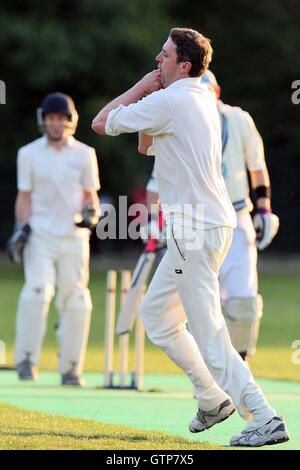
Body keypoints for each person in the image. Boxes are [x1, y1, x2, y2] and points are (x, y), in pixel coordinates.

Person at [91, 28, 289, 447]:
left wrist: (143, 86)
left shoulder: (170, 99)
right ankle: (213, 398)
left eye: (164, 56)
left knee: (209, 329)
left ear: (184, 65)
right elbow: (148, 147)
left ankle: (264, 416)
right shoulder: (201, 99)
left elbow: (100, 122)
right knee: (158, 316)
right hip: (211, 226)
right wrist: (152, 95)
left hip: (193, 231)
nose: (156, 61)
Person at [139, 70, 280, 362]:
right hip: (195, 223)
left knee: (242, 302)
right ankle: (213, 374)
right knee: (204, 303)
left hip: (236, 216)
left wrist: (264, 208)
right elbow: (157, 181)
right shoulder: (177, 121)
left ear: (215, 93)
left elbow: (257, 165)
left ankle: (240, 366)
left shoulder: (238, 119)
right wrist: (154, 219)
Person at [7, 92, 101, 386]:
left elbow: (90, 197)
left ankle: (71, 367)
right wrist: (21, 227)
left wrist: (92, 215)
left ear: (70, 121)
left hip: (74, 236)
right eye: (50, 118)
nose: (55, 124)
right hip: (41, 234)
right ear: (43, 120)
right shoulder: (29, 153)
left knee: (76, 300)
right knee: (36, 291)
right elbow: (24, 197)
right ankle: (25, 360)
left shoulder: (85, 154)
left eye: (60, 118)